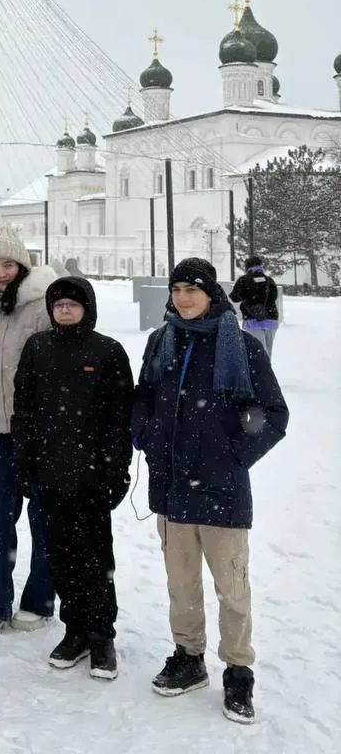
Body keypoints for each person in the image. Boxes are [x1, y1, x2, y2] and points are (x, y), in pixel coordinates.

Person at [132, 258, 289, 725]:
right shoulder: (161, 341)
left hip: (223, 490)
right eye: (177, 289)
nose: (183, 298)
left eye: (192, 289)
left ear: (211, 294)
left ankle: (238, 670)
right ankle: (189, 656)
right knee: (181, 583)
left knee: (231, 588)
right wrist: (145, 434)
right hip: (173, 486)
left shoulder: (241, 347)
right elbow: (144, 397)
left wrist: (233, 454)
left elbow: (272, 414)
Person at [11, 276, 133, 681]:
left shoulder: (107, 352)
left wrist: (116, 471)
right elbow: (23, 409)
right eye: (58, 304)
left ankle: (101, 636)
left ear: (87, 308)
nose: (64, 310)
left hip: (91, 479)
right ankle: (75, 629)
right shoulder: (37, 348)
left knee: (95, 559)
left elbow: (120, 418)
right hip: (49, 476)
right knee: (60, 557)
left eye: (72, 304)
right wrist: (25, 463)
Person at [0, 229, 56, 639]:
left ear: (22, 266)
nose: (2, 273)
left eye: (8, 265)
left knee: (43, 518)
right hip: (3, 430)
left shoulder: (43, 305)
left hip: (39, 432)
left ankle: (39, 600)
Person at [230, 256, 279, 359]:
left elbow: (234, 297)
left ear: (247, 267)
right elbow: (274, 297)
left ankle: (261, 368)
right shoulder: (269, 280)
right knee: (267, 354)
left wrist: (246, 296)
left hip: (252, 320)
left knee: (258, 354)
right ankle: (267, 368)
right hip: (271, 320)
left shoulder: (243, 280)